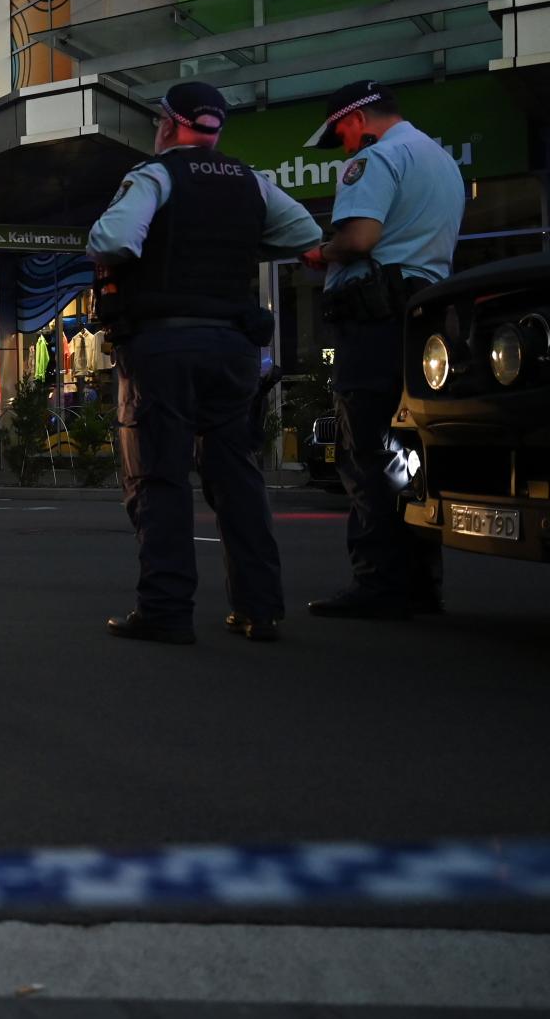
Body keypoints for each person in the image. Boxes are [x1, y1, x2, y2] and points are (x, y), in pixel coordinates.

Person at [87, 82, 323, 644]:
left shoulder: (156, 176)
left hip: (164, 348)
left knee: (160, 476)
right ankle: (259, 608)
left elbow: (113, 239)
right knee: (236, 477)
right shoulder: (252, 182)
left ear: (167, 124)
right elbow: (307, 235)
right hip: (233, 350)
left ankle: (166, 610)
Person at [296, 80, 462, 618]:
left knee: (365, 449)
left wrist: (324, 251)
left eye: (341, 134)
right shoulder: (440, 159)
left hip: (374, 324)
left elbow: (361, 239)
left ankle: (377, 582)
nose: (344, 146)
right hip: (424, 322)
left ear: (357, 119)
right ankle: (420, 582)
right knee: (408, 455)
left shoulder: (374, 161)